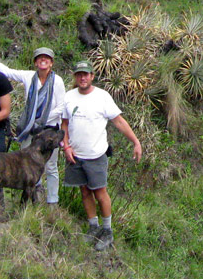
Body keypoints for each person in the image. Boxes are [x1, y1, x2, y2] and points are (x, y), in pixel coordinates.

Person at [54, 61, 142, 250]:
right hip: (76, 155)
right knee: (84, 191)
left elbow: (118, 121)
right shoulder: (69, 97)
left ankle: (107, 230)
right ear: (75, 77)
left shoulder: (102, 97)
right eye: (79, 75)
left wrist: (136, 142)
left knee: (100, 192)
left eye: (86, 74)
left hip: (96, 155)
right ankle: (93, 227)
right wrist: (66, 147)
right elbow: (65, 124)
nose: (82, 78)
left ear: (92, 76)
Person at [0, 47, 66, 205]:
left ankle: (53, 201)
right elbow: (9, 72)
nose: (43, 60)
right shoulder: (29, 77)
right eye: (40, 58)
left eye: (46, 58)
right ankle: (35, 196)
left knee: (51, 166)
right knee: (28, 162)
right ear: (35, 62)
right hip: (30, 129)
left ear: (51, 63)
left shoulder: (57, 81)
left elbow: (61, 107)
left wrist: (41, 120)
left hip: (49, 130)